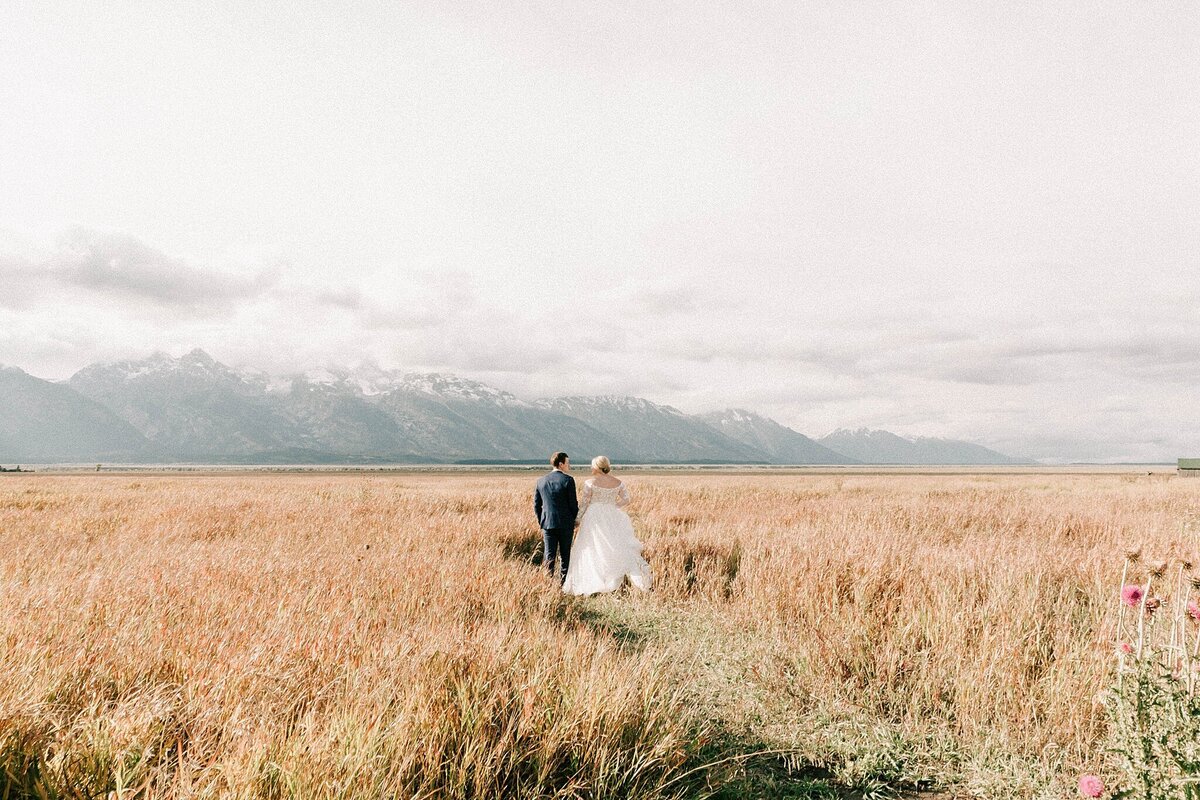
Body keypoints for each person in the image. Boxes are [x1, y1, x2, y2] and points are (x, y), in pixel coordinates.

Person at [562, 456, 652, 596]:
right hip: (611, 516)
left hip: (594, 516)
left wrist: (578, 519)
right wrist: (613, 506)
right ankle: (612, 577)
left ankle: (596, 579)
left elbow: (585, 503)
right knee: (612, 545)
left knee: (592, 546)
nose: (591, 468)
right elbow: (626, 499)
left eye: (592, 466)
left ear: (597, 467)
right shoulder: (618, 482)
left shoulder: (590, 483)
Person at [533, 451, 578, 584]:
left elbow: (536, 505)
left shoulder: (541, 481)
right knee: (565, 555)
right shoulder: (568, 480)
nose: (569, 466)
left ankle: (548, 583)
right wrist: (575, 520)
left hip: (547, 523)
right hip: (565, 524)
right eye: (567, 463)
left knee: (549, 554)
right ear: (561, 464)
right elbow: (573, 504)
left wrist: (542, 520)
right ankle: (563, 584)